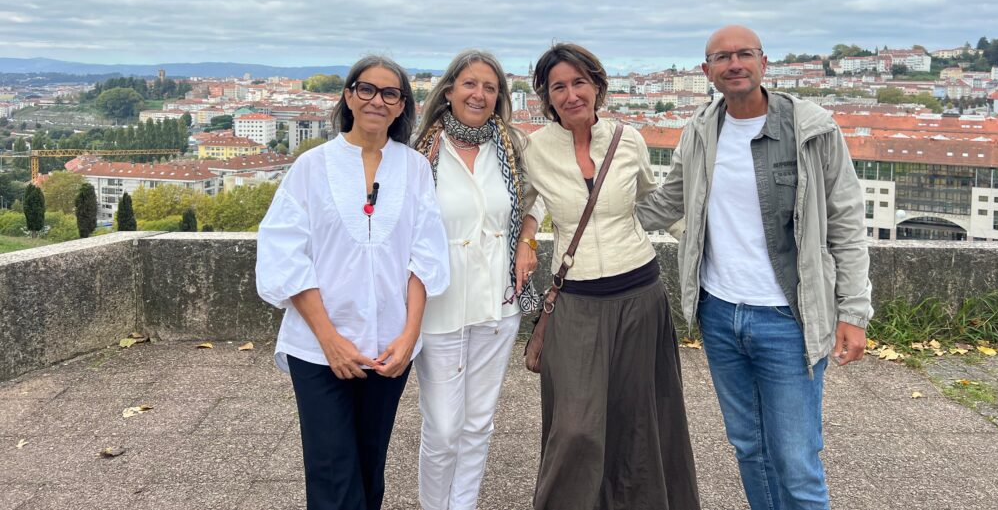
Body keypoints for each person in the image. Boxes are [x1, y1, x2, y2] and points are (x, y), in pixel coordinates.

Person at [637, 25, 873, 510]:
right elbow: (669, 201)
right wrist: (592, 207)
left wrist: (854, 312)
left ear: (764, 63)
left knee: (796, 460)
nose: (734, 64)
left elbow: (846, 224)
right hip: (720, 313)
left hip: (788, 317)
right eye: (722, 58)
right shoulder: (701, 130)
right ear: (707, 71)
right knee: (749, 448)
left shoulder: (811, 128)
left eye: (744, 54)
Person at [256, 56, 450, 510]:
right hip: (319, 347)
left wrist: (409, 336)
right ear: (348, 96)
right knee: (331, 471)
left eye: (390, 93)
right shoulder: (311, 166)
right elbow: (285, 255)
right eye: (367, 89)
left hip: (388, 349)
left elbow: (425, 257)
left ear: (401, 106)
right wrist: (330, 341)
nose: (377, 101)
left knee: (368, 467)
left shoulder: (415, 168)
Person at [520, 42, 700, 510]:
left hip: (639, 293)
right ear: (546, 96)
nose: (571, 94)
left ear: (598, 86)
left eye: (579, 82)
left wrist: (701, 245)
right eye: (558, 86)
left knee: (637, 420)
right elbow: (526, 204)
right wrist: (526, 239)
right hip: (575, 301)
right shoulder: (535, 148)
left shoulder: (628, 138)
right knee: (575, 428)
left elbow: (651, 200)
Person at [411, 49, 543, 510]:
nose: (479, 94)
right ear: (449, 90)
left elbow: (536, 199)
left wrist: (527, 238)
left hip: (498, 303)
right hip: (439, 304)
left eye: (490, 87)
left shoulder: (511, 146)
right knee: (444, 427)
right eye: (470, 84)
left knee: (478, 422)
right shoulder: (422, 152)